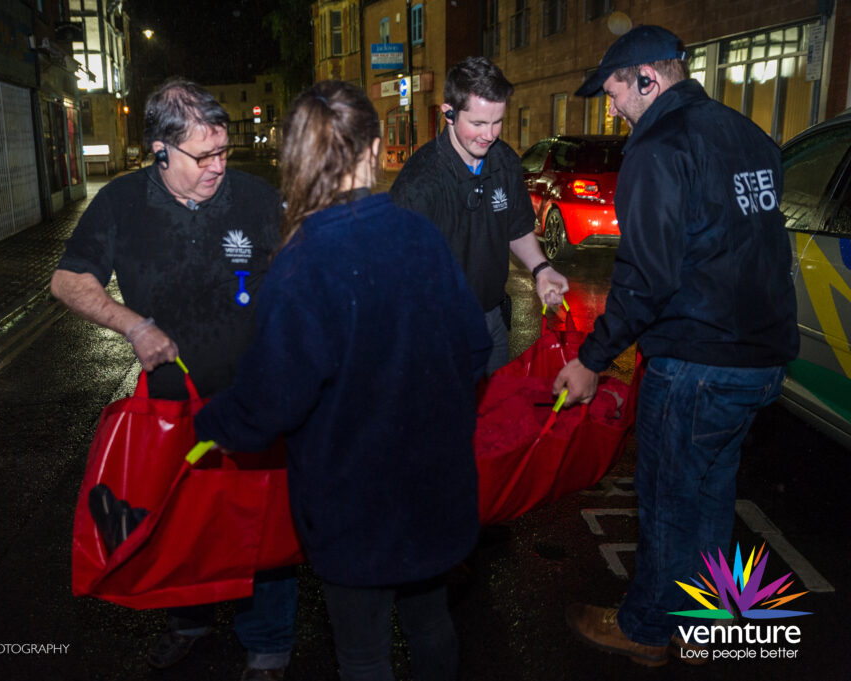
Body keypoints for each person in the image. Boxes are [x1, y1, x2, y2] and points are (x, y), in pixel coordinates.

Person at [194, 80, 492, 681]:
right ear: (378, 149)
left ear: (297, 159)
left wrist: (212, 424)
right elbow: (475, 347)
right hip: (435, 487)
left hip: (354, 505)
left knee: (363, 653)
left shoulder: (301, 263)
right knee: (432, 624)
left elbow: (271, 400)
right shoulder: (422, 237)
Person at [554, 25, 798, 666]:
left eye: (615, 92)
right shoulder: (745, 133)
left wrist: (590, 359)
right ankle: (708, 625)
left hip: (699, 362)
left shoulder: (658, 145)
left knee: (666, 499)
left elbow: (647, 277)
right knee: (712, 496)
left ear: (647, 78)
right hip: (759, 360)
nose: (613, 109)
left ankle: (645, 628)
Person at [50, 78, 297, 681]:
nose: (217, 167)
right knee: (181, 518)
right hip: (172, 401)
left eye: (223, 152)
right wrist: (133, 326)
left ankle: (267, 641)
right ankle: (187, 620)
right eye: (202, 155)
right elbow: (68, 282)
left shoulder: (258, 200)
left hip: (254, 397)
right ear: (161, 148)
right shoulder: (121, 203)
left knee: (261, 521)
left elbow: (302, 273)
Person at [390, 56, 569, 376]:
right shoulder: (419, 182)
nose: (490, 135)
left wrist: (541, 269)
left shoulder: (505, 162)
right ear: (449, 113)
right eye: (478, 124)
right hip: (441, 333)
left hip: (494, 323)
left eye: (497, 122)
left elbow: (516, 228)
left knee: (494, 416)